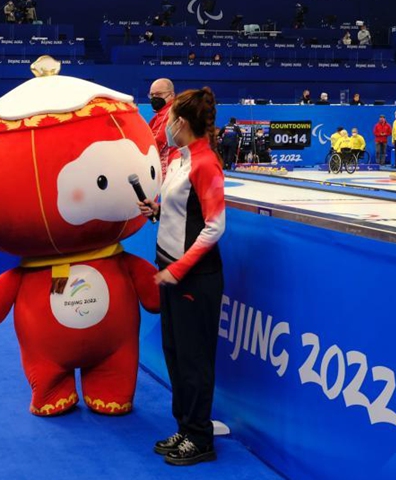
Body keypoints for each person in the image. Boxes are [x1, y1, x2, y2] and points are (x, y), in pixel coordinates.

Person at [137, 86, 225, 467]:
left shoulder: (206, 163)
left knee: (195, 361)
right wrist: (155, 210)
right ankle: (185, 427)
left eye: (170, 119)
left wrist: (178, 269)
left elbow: (215, 227)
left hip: (194, 277)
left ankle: (200, 437)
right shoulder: (178, 158)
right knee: (174, 355)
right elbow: (180, 214)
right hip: (169, 270)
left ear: (183, 123)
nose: (165, 125)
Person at [148, 78, 177, 179]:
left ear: (172, 95)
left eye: (159, 94)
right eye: (152, 95)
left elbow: (156, 142)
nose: (154, 98)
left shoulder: (168, 113)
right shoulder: (163, 113)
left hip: (167, 169)